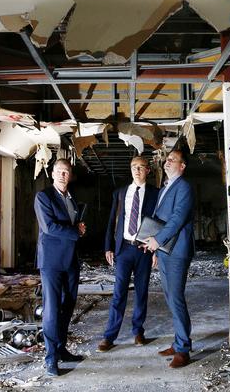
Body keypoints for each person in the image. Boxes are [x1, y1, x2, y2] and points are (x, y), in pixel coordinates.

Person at [97, 156, 159, 352]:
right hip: (123, 248)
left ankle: (138, 332)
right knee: (118, 293)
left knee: (141, 292)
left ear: (148, 170)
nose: (137, 170)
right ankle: (109, 336)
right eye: (134, 167)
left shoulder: (156, 194)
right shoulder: (121, 193)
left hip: (144, 249)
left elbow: (159, 222)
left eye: (141, 167)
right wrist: (108, 246)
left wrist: (157, 250)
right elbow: (111, 222)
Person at [143, 149, 195, 368]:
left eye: (172, 160)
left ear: (182, 166)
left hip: (176, 250)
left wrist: (157, 240)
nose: (167, 162)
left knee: (176, 297)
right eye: (167, 159)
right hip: (165, 251)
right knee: (170, 297)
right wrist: (156, 248)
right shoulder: (167, 187)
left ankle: (183, 350)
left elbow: (177, 219)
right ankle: (178, 341)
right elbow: (160, 219)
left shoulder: (183, 187)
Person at [34, 158, 86, 377]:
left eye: (67, 172)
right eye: (60, 172)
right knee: (52, 310)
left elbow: (70, 223)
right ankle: (51, 359)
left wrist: (79, 226)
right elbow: (49, 227)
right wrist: (76, 231)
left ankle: (61, 349)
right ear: (53, 173)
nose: (63, 175)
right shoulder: (44, 197)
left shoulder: (71, 198)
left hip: (70, 259)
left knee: (68, 306)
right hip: (52, 262)